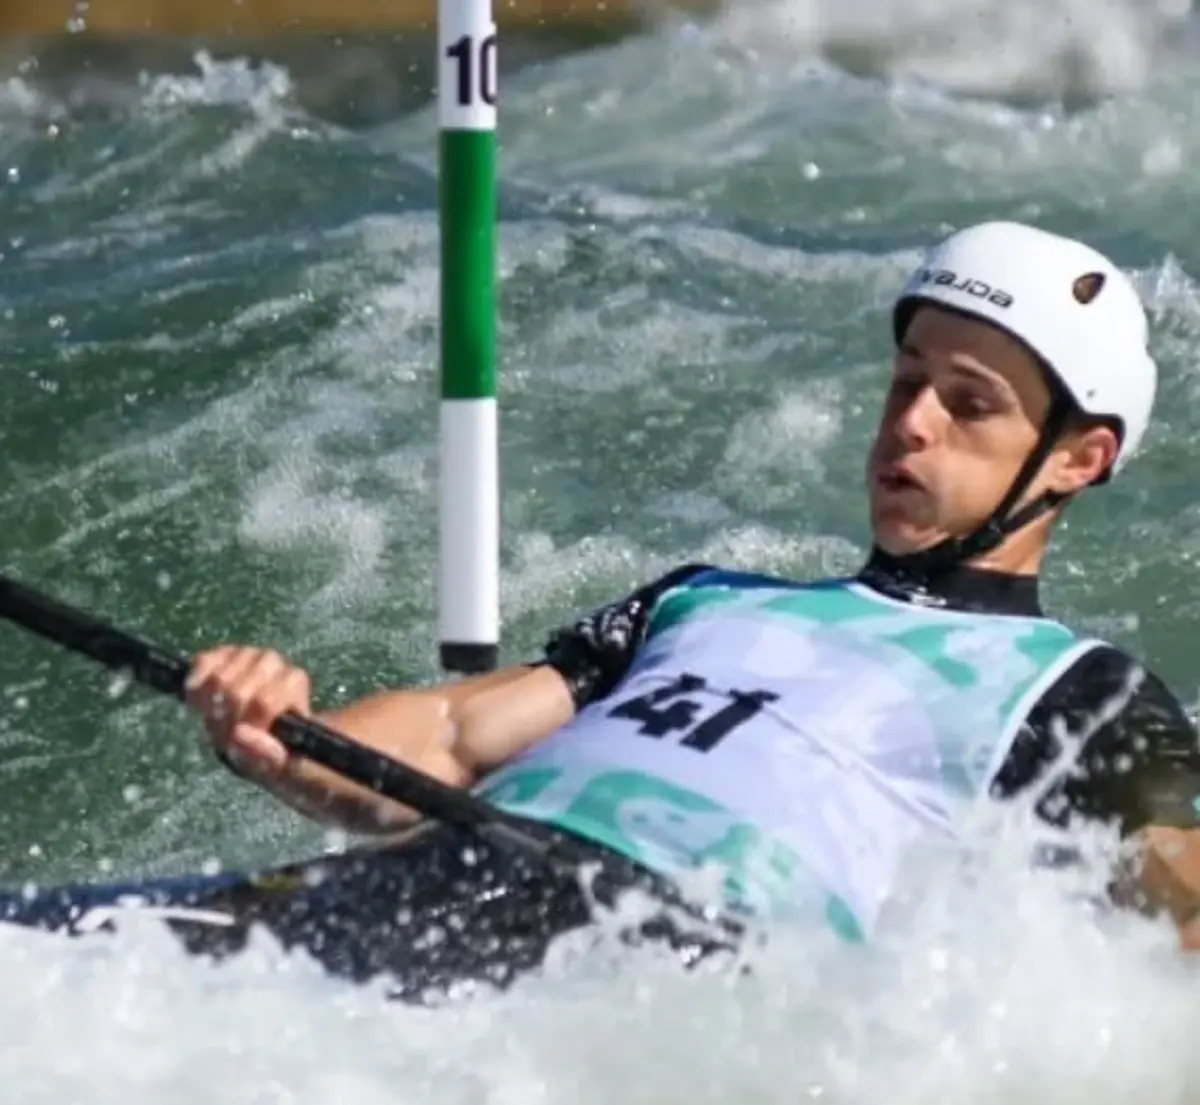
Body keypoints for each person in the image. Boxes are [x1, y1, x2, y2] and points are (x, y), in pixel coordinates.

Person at [9, 220, 1200, 996]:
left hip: (649, 967)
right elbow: (442, 742)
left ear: (1077, 458)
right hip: (432, 878)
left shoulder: (1081, 691)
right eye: (905, 382)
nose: (914, 421)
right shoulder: (704, 599)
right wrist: (267, 731)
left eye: (968, 402)